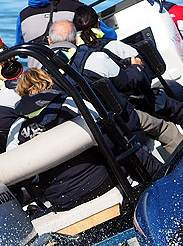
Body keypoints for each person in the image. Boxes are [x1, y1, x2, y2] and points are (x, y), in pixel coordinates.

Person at [45, 21, 163, 181]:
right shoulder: (95, 59)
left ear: (50, 42)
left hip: (84, 140)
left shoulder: (42, 78)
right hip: (119, 126)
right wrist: (136, 68)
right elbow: (127, 82)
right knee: (165, 127)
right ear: (76, 40)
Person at [73, 4, 183, 152]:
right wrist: (138, 67)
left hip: (115, 112)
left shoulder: (80, 59)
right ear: (98, 23)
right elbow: (144, 79)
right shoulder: (116, 47)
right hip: (139, 103)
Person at [7, 68, 114, 213]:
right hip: (100, 181)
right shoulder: (71, 104)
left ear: (21, 92)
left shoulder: (17, 127)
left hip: (61, 199)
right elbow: (105, 130)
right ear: (48, 82)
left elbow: (15, 170)